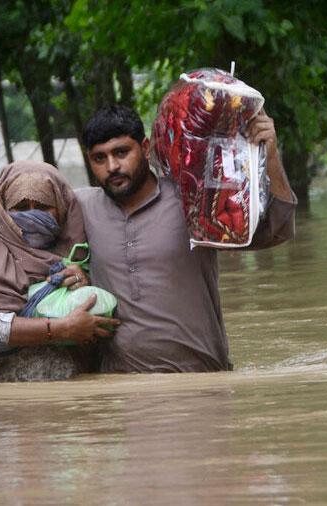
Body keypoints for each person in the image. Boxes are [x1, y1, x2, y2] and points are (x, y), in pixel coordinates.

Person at [77, 105, 296, 373]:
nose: (112, 167)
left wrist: (271, 155)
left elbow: (277, 230)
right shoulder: (82, 209)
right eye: (99, 158)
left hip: (201, 379)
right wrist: (65, 272)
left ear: (145, 148)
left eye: (121, 152)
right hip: (121, 387)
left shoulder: (193, 200)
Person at [0, 160, 119, 384]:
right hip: (5, 396)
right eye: (20, 208)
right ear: (4, 211)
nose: (32, 216)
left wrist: (81, 280)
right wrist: (60, 329)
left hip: (73, 393)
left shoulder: (77, 245)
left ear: (60, 206)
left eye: (42, 206)